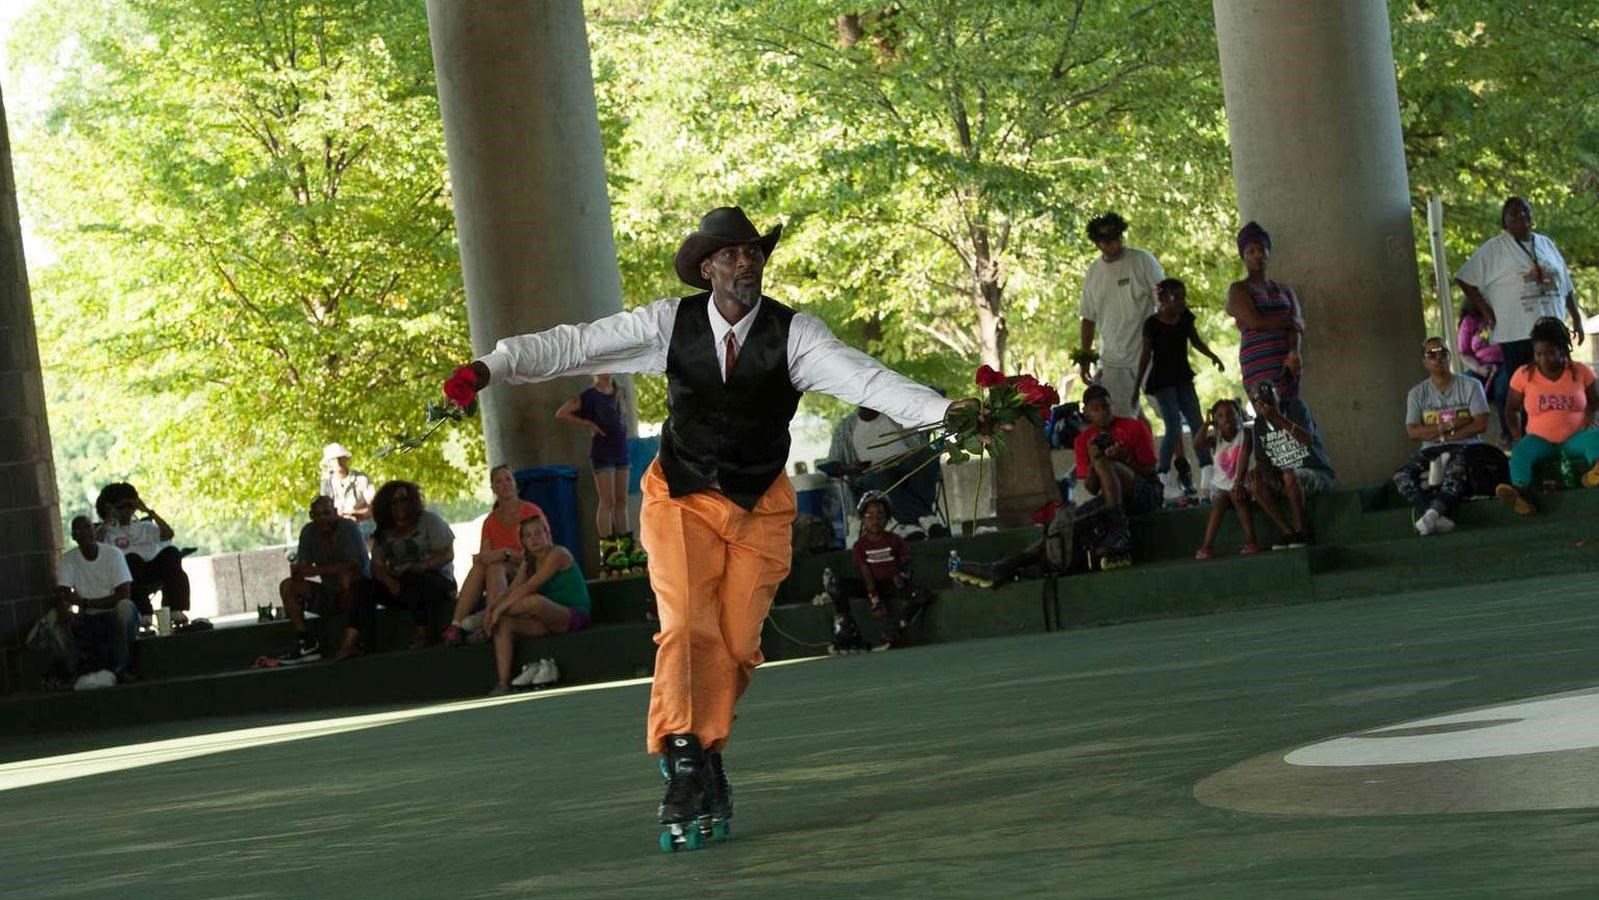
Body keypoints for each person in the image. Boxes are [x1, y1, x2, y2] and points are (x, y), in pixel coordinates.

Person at [441, 205, 959, 850]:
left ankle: (706, 749)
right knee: (688, 627)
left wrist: (947, 411)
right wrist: (487, 367)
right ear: (708, 267)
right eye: (733, 253)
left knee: (737, 645)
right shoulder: (666, 325)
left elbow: (868, 379)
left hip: (759, 506)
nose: (748, 262)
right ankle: (686, 759)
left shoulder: (795, 335)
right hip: (680, 496)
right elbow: (574, 344)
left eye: (755, 253)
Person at [1456, 197, 1585, 438]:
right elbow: (1464, 277)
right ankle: (1527, 439)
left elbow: (1566, 283)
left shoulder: (1546, 243)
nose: (1521, 216)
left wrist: (1576, 318)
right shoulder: (1494, 248)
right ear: (1504, 221)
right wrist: (1486, 310)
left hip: (1553, 331)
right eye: (1513, 213)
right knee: (1527, 391)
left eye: (1524, 211)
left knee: (1560, 386)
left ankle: (1562, 436)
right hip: (1517, 332)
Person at [1392, 338, 1499, 536]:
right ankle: (1433, 515)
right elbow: (1413, 431)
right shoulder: (1416, 393)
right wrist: (1452, 424)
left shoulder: (1471, 385)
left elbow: (1481, 423)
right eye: (1431, 355)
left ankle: (1431, 515)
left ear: (1450, 357)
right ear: (1424, 362)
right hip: (1431, 449)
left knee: (1455, 467)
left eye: (1442, 353)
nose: (1437, 358)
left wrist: (1445, 434)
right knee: (1401, 475)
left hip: (1466, 446)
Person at [1495, 317, 1599, 515]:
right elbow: (1511, 409)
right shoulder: (1524, 374)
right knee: (1519, 453)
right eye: (1538, 354)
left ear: (1562, 349)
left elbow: (1595, 402)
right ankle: (1521, 494)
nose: (1544, 359)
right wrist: (1517, 436)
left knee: (1597, 437)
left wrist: (1590, 420)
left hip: (1575, 438)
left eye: (1550, 353)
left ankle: (1596, 471)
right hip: (1539, 440)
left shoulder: (1580, 371)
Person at [483, 511, 592, 696]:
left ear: (547, 534)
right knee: (504, 623)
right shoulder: (528, 562)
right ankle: (503, 683)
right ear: (523, 541)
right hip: (544, 620)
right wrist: (493, 609)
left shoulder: (558, 554)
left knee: (534, 601)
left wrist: (498, 610)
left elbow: (531, 586)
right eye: (528, 536)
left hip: (571, 615)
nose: (534, 539)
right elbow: (512, 590)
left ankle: (483, 620)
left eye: (538, 533)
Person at [1136, 277, 1224, 499]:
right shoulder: (1152, 324)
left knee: (1197, 422)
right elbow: (1146, 355)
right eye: (1177, 297)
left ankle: (1207, 470)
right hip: (1162, 381)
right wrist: (1136, 385)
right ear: (1164, 299)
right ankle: (1163, 474)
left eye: (1184, 297)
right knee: (1173, 425)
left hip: (1183, 377)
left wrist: (1213, 356)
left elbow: (1195, 341)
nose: (1182, 302)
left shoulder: (1185, 318)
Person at [347, 480, 455, 652]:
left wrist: (424, 565)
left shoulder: (429, 521)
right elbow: (377, 565)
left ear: (412, 500)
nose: (399, 505)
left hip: (434, 582)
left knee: (415, 579)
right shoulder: (384, 531)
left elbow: (447, 554)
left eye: (403, 499)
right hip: (398, 586)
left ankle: (422, 634)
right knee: (362, 586)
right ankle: (351, 641)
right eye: (393, 502)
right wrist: (390, 582)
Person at [442, 466, 545, 645]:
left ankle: (490, 622)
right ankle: (456, 625)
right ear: (493, 488)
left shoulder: (531, 512)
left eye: (508, 479)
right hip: (500, 574)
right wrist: (485, 557)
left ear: (515, 484)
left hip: (527, 570)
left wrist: (506, 554)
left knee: (496, 565)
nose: (504, 484)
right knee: (484, 566)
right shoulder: (490, 521)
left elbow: (542, 553)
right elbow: (486, 556)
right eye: (499, 481)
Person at [817, 492, 931, 654]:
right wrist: (874, 599)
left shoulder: (895, 540)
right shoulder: (860, 545)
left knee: (922, 593)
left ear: (887, 518)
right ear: (863, 519)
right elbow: (865, 572)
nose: (875, 521)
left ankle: (896, 631)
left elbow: (905, 564)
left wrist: (902, 575)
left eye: (880, 516)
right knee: (835, 584)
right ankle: (846, 631)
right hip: (870, 585)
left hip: (891, 584)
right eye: (870, 516)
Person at [1077, 211, 1165, 418]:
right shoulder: (1093, 273)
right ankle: (1143, 447)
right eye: (1105, 240)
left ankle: (1180, 451)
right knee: (1121, 418)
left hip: (1148, 352)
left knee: (1167, 409)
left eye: (1115, 237)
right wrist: (1085, 358)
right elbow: (1088, 318)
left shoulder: (1142, 261)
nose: (1111, 244)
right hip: (1113, 359)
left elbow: (1163, 302)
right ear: (1096, 243)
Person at [556, 374, 643, 576]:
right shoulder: (589, 395)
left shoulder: (619, 390)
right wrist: (588, 424)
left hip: (621, 449)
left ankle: (627, 547)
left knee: (621, 501)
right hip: (603, 451)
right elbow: (562, 412)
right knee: (607, 501)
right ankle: (610, 549)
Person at [820, 406, 944, 537]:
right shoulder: (846, 427)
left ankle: (911, 524)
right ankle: (927, 520)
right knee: (877, 477)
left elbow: (920, 444)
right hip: (873, 474)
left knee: (927, 455)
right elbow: (831, 464)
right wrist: (849, 469)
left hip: (907, 466)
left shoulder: (896, 416)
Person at [276, 495, 372, 664]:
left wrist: (317, 570)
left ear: (335, 512)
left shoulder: (348, 528)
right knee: (288, 586)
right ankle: (306, 641)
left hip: (358, 593)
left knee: (347, 578)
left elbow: (355, 567)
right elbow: (302, 568)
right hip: (329, 594)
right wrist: (301, 571)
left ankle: (357, 638)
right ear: (311, 516)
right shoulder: (308, 532)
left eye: (326, 513)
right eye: (317, 515)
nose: (322, 519)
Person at [1246, 380, 1335, 548]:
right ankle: (1288, 532)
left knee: (1289, 474)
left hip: (1315, 473)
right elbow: (1262, 461)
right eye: (1256, 400)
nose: (1261, 402)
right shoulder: (1259, 424)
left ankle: (1303, 532)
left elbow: (1308, 440)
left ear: (1277, 394)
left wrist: (1277, 418)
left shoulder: (1296, 408)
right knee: (1253, 479)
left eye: (1266, 395)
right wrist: (1265, 475)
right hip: (1284, 479)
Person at [54, 515, 138, 684]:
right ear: (73, 537)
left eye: (87, 528)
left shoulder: (113, 554)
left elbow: (123, 594)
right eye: (78, 531)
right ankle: (73, 672)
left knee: (125, 607)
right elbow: (63, 593)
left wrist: (86, 603)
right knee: (53, 619)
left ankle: (121, 667)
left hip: (112, 613)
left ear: (94, 531)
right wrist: (65, 610)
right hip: (87, 617)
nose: (83, 534)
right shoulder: (68, 559)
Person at [94, 482, 191, 628]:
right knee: (131, 559)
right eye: (121, 507)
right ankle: (144, 613)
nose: (127, 510)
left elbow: (168, 534)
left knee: (172, 553)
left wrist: (148, 511)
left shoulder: (145, 527)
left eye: (130, 506)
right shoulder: (107, 532)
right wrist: (108, 520)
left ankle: (175, 609)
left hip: (152, 569)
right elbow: (94, 546)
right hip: (127, 575)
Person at [1227, 222, 1304, 404]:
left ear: (1268, 252)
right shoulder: (1238, 289)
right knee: (1269, 416)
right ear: (1243, 256)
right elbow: (1255, 322)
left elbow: (1298, 324)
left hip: (1286, 363)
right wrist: (1290, 321)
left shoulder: (1285, 290)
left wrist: (1294, 353)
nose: (1257, 256)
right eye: (1251, 252)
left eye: (1261, 250)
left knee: (1292, 414)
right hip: (1258, 366)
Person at [1072, 384, 1162, 516]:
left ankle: (1115, 521)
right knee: (1076, 518)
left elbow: (1152, 472)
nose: (1102, 412)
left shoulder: (1135, 427)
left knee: (1104, 463)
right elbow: (1092, 489)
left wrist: (1124, 459)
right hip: (1114, 497)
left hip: (1147, 492)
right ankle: (1115, 517)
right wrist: (1093, 461)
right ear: (1086, 412)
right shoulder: (1083, 441)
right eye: (1095, 409)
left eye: (1106, 407)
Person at [1192, 399, 1260, 559]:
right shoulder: (1216, 439)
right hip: (1219, 488)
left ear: (1239, 416)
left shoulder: (1246, 434)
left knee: (1237, 496)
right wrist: (1206, 423)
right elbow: (1197, 445)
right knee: (1219, 501)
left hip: (1239, 483)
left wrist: (1238, 483)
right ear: (1217, 422)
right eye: (1220, 416)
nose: (1226, 418)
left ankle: (1251, 541)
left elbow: (1244, 457)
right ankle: (1207, 546)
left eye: (1230, 413)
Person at [1457, 299, 1507, 444]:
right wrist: (1479, 368)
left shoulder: (1505, 314)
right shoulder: (1470, 320)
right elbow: (1464, 353)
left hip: (1505, 363)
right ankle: (1465, 435)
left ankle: (1508, 435)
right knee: (1464, 385)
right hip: (1479, 366)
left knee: (1503, 388)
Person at [319, 443, 376, 537]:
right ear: (329, 463)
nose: (337, 461)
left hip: (364, 529)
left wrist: (355, 514)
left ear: (346, 459)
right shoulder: (327, 483)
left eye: (340, 457)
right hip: (339, 530)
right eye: (333, 459)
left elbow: (373, 506)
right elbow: (324, 511)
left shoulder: (362, 479)